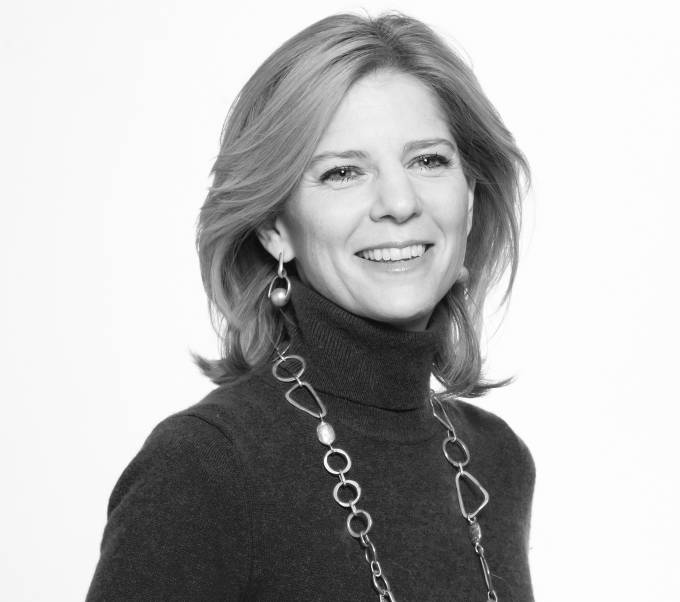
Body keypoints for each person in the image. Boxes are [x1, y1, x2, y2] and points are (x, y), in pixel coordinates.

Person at [87, 11, 534, 602]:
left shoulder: (496, 462)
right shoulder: (205, 466)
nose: (399, 202)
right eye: (343, 172)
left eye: (428, 160)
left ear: (470, 199)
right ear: (275, 227)